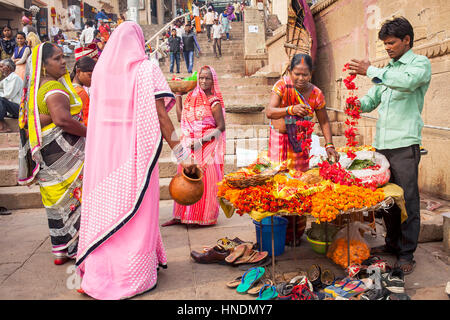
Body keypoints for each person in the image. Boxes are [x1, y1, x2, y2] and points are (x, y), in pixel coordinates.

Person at [75, 21, 196, 300]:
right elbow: (163, 120)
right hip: (135, 156)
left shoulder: (102, 71)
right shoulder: (145, 69)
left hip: (105, 158)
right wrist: (182, 156)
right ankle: (134, 274)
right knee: (138, 212)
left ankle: (99, 274)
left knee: (108, 211)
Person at [348, 17, 431, 275]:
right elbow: (372, 99)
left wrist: (371, 70)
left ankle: (407, 253)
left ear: (407, 40)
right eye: (385, 44)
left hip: (405, 145)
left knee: (407, 201)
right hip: (382, 147)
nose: (388, 48)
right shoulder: (388, 70)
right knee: (388, 202)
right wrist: (355, 105)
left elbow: (404, 82)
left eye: (392, 43)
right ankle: (391, 243)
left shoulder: (419, 65)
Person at [17, 42, 86, 265]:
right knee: (75, 197)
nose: (63, 61)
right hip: (63, 157)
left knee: (55, 201)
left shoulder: (36, 90)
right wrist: (91, 133)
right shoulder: (53, 89)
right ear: (44, 66)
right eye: (57, 59)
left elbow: (37, 121)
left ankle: (60, 250)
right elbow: (62, 120)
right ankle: (77, 248)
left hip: (47, 157)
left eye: (62, 56)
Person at [266, 54, 339, 244]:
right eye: (297, 74)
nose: (300, 78)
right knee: (280, 185)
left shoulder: (316, 94)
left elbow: (323, 120)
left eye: (305, 75)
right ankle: (277, 233)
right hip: (280, 143)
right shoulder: (282, 86)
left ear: (311, 74)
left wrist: (329, 144)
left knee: (299, 187)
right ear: (290, 72)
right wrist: (290, 109)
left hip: (301, 146)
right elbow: (269, 111)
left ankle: (295, 234)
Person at [162, 66, 226, 227]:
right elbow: (179, 117)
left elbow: (220, 127)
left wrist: (201, 141)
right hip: (188, 145)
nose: (204, 81)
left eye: (208, 78)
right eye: (202, 78)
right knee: (183, 179)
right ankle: (179, 216)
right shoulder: (191, 96)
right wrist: (178, 96)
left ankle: (204, 217)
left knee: (206, 181)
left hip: (207, 146)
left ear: (213, 81)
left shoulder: (214, 102)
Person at [70, 56, 96, 126]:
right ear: (78, 71)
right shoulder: (81, 92)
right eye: (90, 76)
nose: (92, 80)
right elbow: (86, 119)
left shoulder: (70, 87)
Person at [0, 59, 23, 132]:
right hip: (11, 109)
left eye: (1, 67)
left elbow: (8, 95)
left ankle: (1, 125)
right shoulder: (7, 79)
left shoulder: (15, 78)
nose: (0, 69)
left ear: (8, 68)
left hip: (19, 109)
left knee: (1, 100)